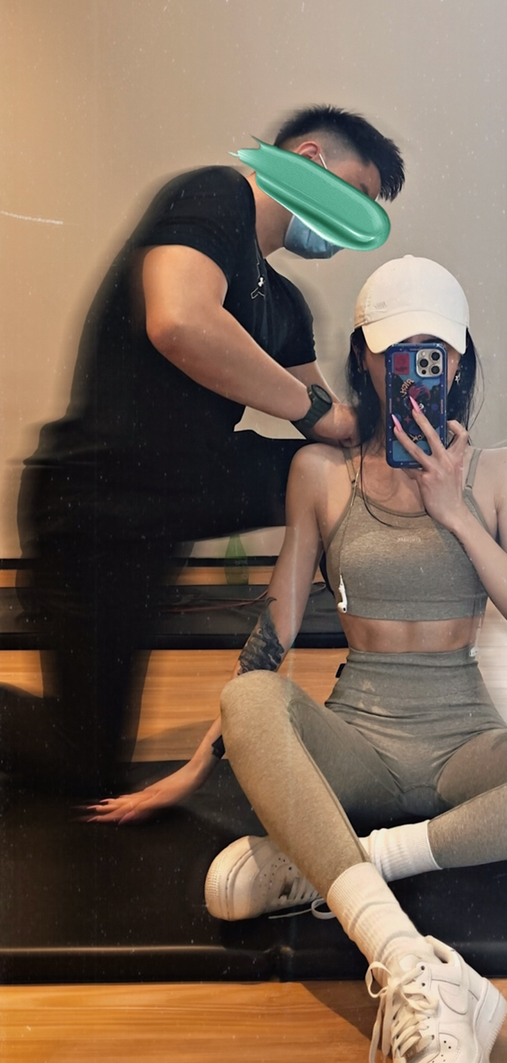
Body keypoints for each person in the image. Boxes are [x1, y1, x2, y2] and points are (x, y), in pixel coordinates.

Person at [91, 255, 507, 1063]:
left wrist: (454, 509)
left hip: (465, 744)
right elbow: (275, 627)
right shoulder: (320, 471)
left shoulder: (502, 473)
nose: (413, 369)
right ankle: (408, 962)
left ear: (459, 360)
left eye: (433, 352)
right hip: (355, 738)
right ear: (365, 358)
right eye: (397, 352)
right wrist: (199, 763)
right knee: (250, 694)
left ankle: (338, 866)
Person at [1, 106, 405, 799]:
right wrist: (318, 414)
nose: (352, 224)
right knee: (81, 764)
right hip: (95, 502)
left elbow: (328, 427)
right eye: (357, 195)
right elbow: (181, 322)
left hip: (169, 502)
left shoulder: (284, 303)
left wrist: (393, 434)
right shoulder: (216, 194)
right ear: (310, 159)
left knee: (334, 470)